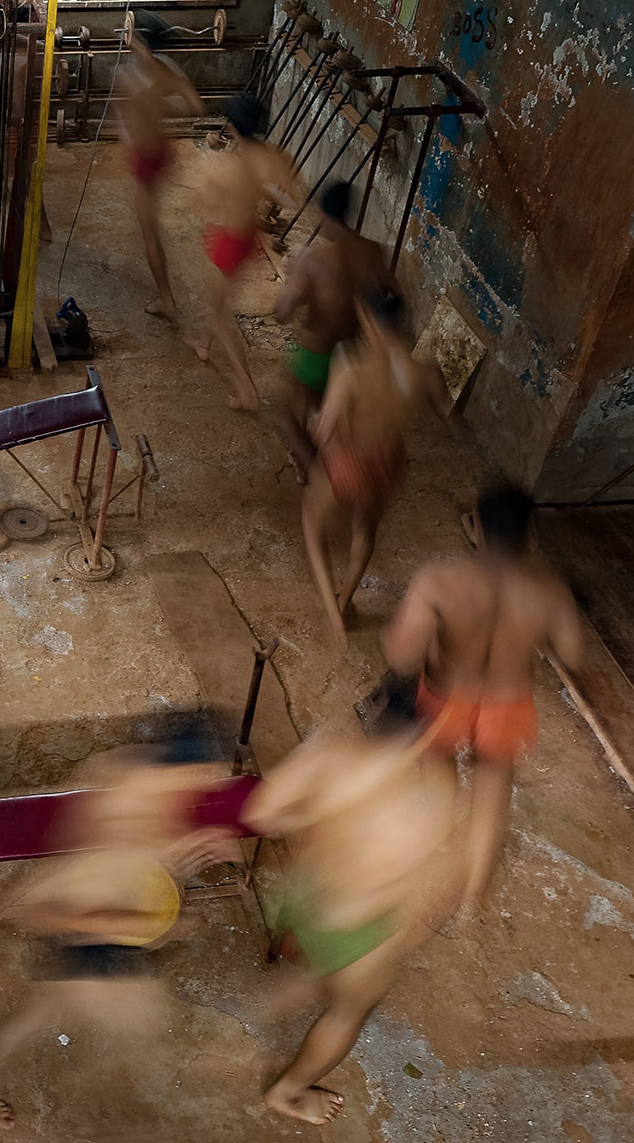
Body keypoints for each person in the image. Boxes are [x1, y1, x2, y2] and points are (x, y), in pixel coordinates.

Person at [0, 723, 236, 1133]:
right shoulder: (126, 810)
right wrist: (169, 925)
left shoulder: (133, 774)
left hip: (91, 914)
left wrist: (182, 856)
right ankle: (11, 1097)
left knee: (41, 1013)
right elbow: (93, 908)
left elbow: (128, 862)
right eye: (204, 776)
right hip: (90, 931)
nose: (208, 786)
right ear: (184, 768)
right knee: (129, 1024)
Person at [246, 678, 459, 1125]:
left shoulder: (330, 753)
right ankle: (287, 1092)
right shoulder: (432, 800)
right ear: (428, 735)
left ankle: (301, 972)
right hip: (356, 927)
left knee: (313, 952)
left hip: (305, 892)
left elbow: (260, 814)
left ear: (376, 709)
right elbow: (439, 887)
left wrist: (316, 814)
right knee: (348, 1011)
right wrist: (404, 934)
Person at [381, 485, 586, 910]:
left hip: (444, 698)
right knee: (490, 803)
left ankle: (430, 851)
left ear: (476, 527)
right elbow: (573, 655)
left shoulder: (438, 581)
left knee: (437, 773)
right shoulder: (550, 591)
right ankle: (472, 902)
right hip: (507, 706)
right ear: (527, 536)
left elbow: (400, 654)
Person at [302, 290, 452, 634]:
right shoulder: (425, 373)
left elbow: (323, 432)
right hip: (389, 461)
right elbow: (445, 414)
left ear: (369, 322)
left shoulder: (351, 370)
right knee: (365, 528)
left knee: (312, 520)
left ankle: (333, 612)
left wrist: (314, 418)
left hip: (350, 459)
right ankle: (345, 600)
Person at [272, 181, 396, 480]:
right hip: (350, 354)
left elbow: (281, 314)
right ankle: (310, 458)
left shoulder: (314, 261)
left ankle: (316, 477)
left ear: (325, 215)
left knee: (283, 412)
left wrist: (293, 277)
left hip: (316, 354)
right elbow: (395, 294)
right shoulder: (373, 251)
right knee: (321, 410)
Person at [191, 94, 303, 408]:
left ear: (231, 127)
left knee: (220, 315)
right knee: (218, 300)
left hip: (228, 240)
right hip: (248, 238)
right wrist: (262, 190)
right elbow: (291, 197)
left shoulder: (230, 167)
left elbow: (202, 202)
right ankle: (203, 344)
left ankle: (247, 390)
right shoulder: (271, 156)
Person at [113, 13, 206, 321]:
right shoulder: (168, 68)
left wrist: (135, 122)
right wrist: (162, 105)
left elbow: (123, 117)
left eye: (135, 38)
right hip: (162, 152)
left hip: (143, 157)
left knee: (149, 233)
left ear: (141, 43)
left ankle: (167, 299)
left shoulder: (129, 76)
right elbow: (196, 105)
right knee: (146, 216)